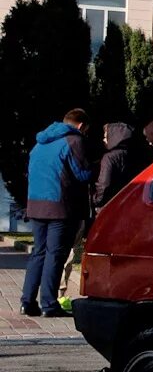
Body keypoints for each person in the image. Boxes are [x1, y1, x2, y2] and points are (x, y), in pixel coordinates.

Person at [19, 109, 92, 319]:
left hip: (36, 204)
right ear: (80, 126)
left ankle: (27, 301)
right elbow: (82, 174)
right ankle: (49, 304)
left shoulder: (40, 143)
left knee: (38, 253)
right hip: (59, 205)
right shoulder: (73, 141)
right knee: (54, 255)